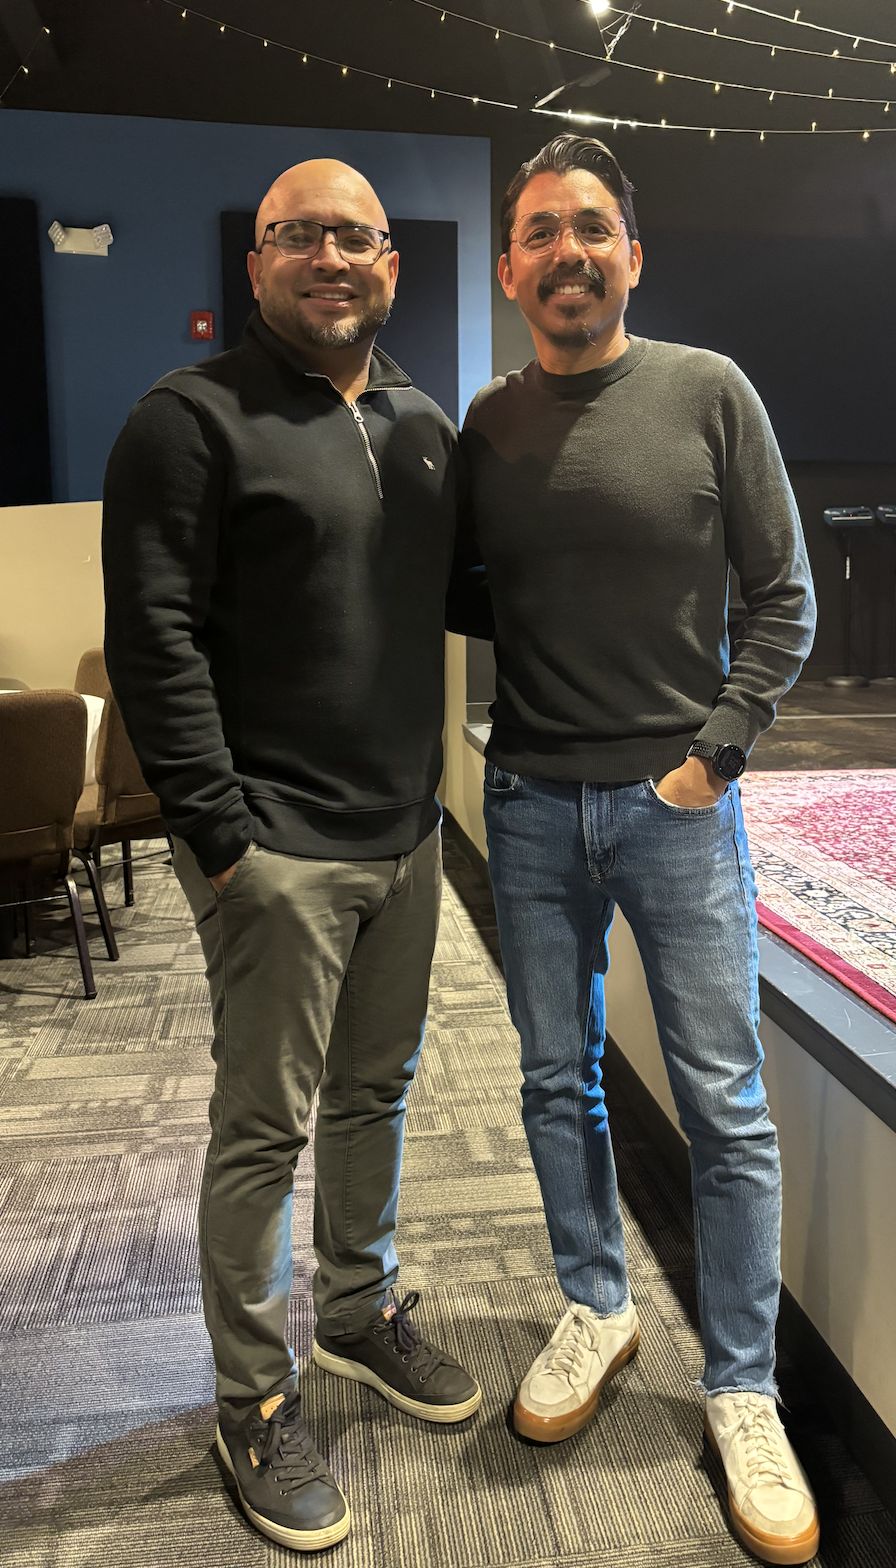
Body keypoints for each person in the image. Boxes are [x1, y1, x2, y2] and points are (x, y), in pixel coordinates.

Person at [103, 158, 489, 1554]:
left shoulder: (419, 422)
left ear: (393, 265)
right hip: (274, 850)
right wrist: (221, 841)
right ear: (257, 261)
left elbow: (469, 592)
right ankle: (252, 1398)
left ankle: (362, 1306)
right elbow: (153, 642)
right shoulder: (186, 420)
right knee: (263, 1129)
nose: (332, 258)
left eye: (358, 238)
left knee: (376, 1095)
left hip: (403, 836)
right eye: (301, 235)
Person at [461, 135, 819, 1567]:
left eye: (591, 227)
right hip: (534, 806)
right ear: (509, 267)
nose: (568, 252)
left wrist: (707, 760)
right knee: (557, 1081)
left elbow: (782, 601)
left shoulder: (708, 392)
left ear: (632, 254)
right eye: (540, 231)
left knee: (723, 1105)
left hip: (678, 813)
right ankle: (596, 1305)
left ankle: (742, 1388)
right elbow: (465, 595)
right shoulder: (486, 424)